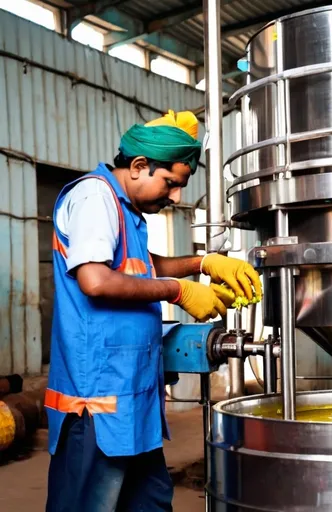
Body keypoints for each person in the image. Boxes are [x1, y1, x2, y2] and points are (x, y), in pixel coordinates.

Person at [44, 109, 261, 512]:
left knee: (150, 504)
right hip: (97, 406)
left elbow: (142, 266)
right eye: (171, 183)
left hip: (134, 401)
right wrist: (179, 293)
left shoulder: (126, 210)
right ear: (140, 166)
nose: (176, 196)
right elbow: (96, 280)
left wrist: (202, 264)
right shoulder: (95, 197)